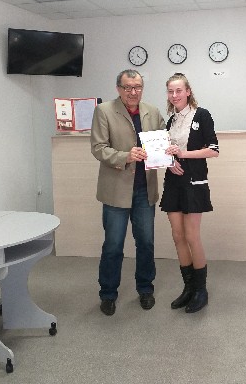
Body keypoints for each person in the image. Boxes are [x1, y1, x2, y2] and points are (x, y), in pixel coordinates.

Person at [90, 69, 165, 316]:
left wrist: (168, 150)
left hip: (145, 189)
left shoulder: (152, 111)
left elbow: (163, 140)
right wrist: (125, 156)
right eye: (128, 87)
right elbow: (98, 148)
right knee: (113, 245)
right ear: (118, 89)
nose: (133, 92)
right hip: (116, 190)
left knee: (146, 243)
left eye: (138, 87)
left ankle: (145, 289)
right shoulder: (104, 111)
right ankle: (108, 293)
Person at [161, 73, 219, 313]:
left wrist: (182, 155)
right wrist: (170, 162)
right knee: (178, 236)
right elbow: (166, 152)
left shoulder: (201, 115)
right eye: (170, 91)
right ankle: (188, 287)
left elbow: (213, 150)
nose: (174, 95)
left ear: (188, 92)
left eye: (179, 90)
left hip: (194, 182)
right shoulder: (170, 121)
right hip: (173, 182)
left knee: (192, 236)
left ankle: (201, 290)